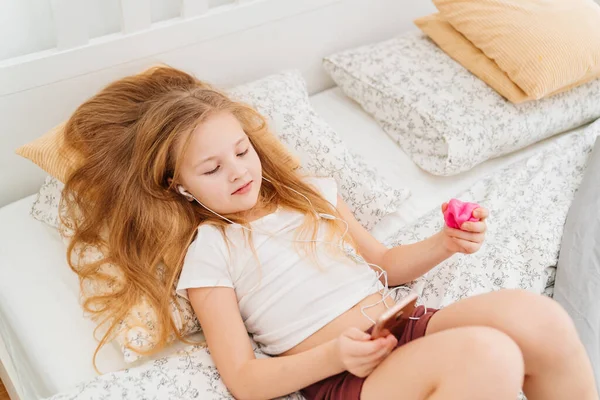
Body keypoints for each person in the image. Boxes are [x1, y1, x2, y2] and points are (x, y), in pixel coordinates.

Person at [61, 66, 597, 400]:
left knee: (538, 318)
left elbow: (385, 263)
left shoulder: (313, 193)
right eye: (212, 169)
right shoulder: (209, 251)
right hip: (343, 375)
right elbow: (245, 381)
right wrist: (338, 356)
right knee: (489, 356)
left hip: (403, 321)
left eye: (241, 152)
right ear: (179, 186)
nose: (238, 172)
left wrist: (444, 244)